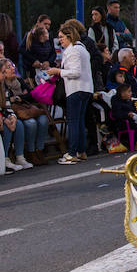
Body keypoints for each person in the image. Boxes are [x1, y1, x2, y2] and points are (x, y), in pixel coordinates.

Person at [48, 19, 91, 164]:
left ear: (69, 36)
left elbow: (75, 72)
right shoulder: (82, 48)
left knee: (73, 121)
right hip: (86, 88)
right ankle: (81, 151)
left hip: (75, 88)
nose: (60, 41)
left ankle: (72, 153)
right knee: (79, 120)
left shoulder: (72, 50)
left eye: (61, 37)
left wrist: (58, 71)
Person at [0, 59, 50, 166]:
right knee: (30, 123)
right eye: (8, 67)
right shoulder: (3, 84)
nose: (13, 68)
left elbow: (32, 95)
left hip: (27, 109)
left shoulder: (19, 81)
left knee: (43, 120)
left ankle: (39, 150)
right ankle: (30, 152)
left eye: (12, 65)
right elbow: (7, 101)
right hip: (15, 112)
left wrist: (19, 98)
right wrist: (21, 97)